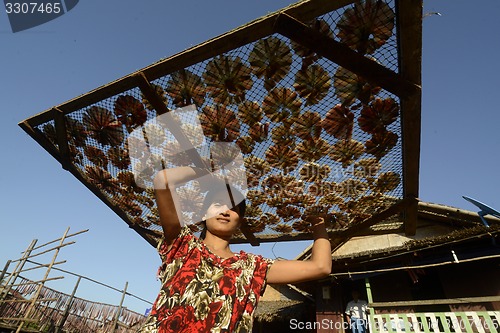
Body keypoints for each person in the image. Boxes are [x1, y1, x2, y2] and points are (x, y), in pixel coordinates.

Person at [138, 166, 332, 332]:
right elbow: (162, 180)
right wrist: (204, 170)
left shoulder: (253, 267)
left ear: (240, 221)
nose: (224, 211)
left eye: (232, 208)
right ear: (204, 214)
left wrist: (318, 224)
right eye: (217, 204)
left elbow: (320, 267)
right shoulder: (183, 246)